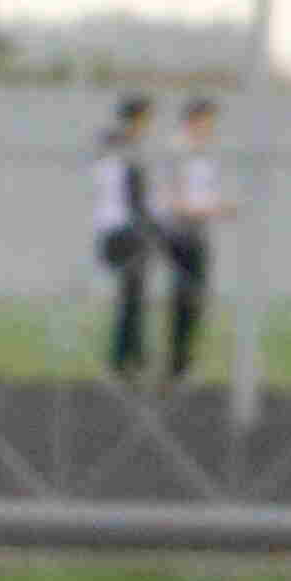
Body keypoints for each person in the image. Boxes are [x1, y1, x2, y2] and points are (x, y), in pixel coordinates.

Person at [158, 95, 225, 386]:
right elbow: (172, 199)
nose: (211, 126)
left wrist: (215, 208)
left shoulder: (206, 154)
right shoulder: (178, 151)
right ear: (193, 120)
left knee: (195, 299)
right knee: (183, 299)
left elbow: (205, 193)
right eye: (207, 120)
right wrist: (208, 209)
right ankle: (175, 365)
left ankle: (183, 363)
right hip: (178, 233)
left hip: (198, 232)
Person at [92, 96, 161, 378]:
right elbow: (133, 197)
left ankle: (131, 355)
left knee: (133, 296)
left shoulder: (115, 147)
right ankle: (125, 358)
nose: (149, 126)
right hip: (124, 231)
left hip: (120, 228)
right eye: (146, 119)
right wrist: (150, 229)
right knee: (132, 296)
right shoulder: (124, 150)